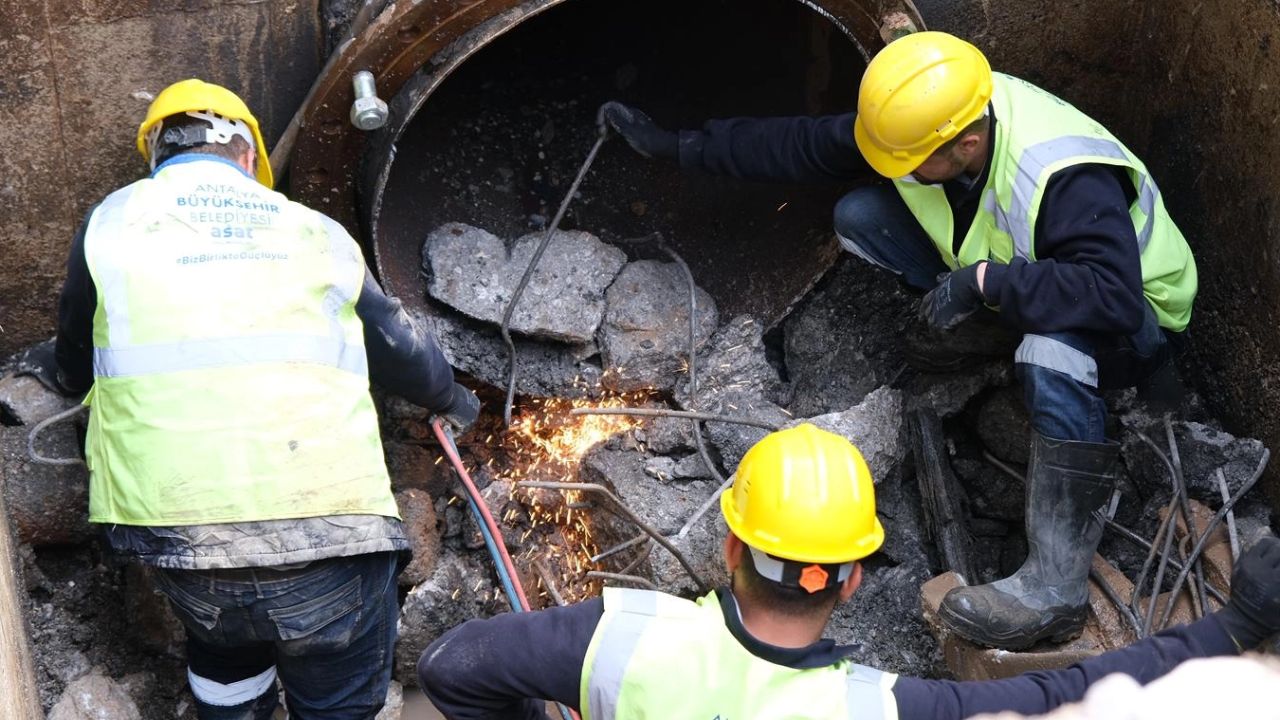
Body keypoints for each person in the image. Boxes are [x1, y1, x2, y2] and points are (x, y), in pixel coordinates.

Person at [597, 30, 1198, 650]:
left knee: (1051, 346)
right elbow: (803, 147)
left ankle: (1054, 591)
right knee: (860, 216)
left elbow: (1114, 295)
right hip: (1026, 276)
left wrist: (983, 281)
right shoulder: (928, 125)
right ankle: (995, 338)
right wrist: (676, 147)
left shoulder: (1062, 176)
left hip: (1131, 323)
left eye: (911, 164)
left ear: (966, 144)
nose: (899, 170)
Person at [52, 79, 480, 719]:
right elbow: (396, 347)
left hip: (178, 536)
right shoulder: (313, 230)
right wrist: (454, 398)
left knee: (224, 640)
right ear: (250, 156)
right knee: (336, 696)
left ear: (158, 154)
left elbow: (74, 358)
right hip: (329, 538)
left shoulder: (111, 222)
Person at [418, 424, 1280, 720]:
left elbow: (450, 668)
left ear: (729, 549)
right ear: (853, 578)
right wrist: (1232, 629)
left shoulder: (617, 636)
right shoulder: (879, 705)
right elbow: (1072, 694)